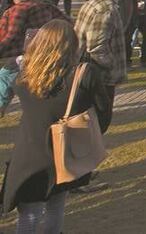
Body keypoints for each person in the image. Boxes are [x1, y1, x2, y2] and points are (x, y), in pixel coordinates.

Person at [1, 19, 111, 232]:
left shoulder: (22, 71)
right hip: (67, 148)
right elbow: (103, 113)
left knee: (30, 214)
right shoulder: (85, 73)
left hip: (30, 150)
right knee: (56, 206)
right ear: (72, 44)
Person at [73, 0, 130, 130]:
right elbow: (97, 48)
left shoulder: (93, 2)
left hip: (89, 71)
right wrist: (113, 65)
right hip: (99, 75)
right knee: (98, 122)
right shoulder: (106, 9)